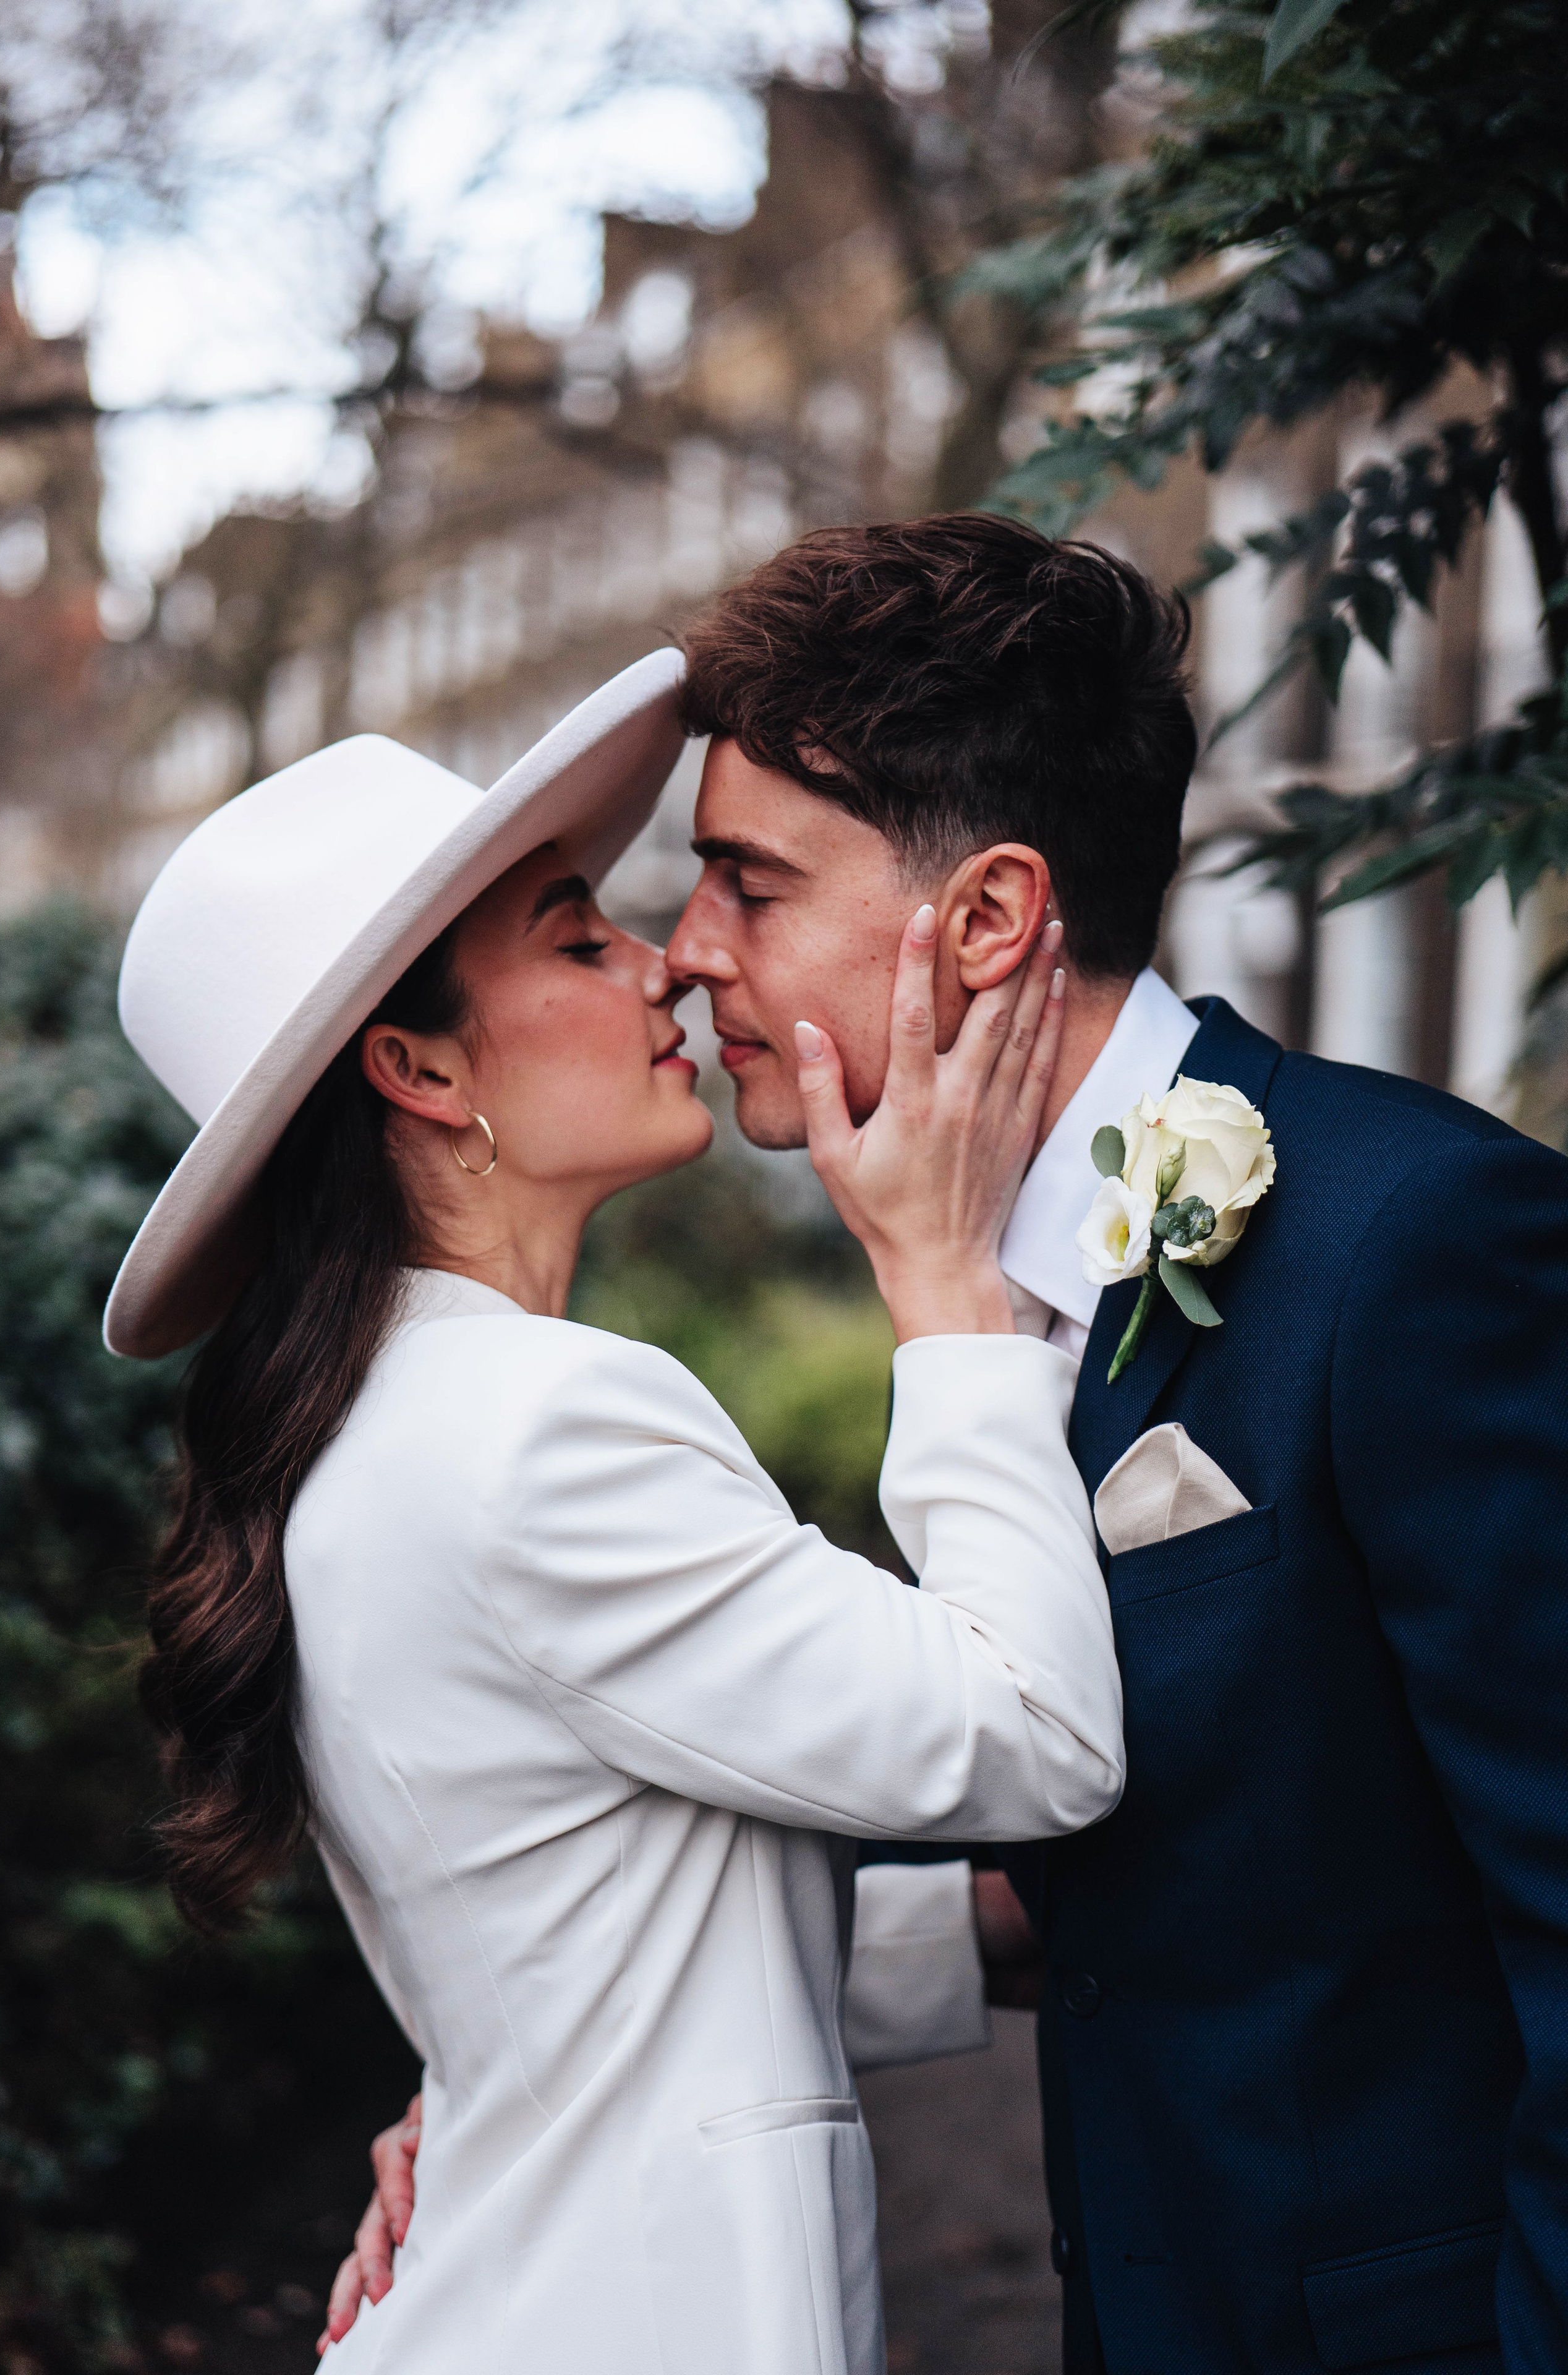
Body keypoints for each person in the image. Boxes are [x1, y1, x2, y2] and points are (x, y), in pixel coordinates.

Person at [339, 515, 1568, 2373]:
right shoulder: (969, 1311)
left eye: (746, 884)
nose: (684, 954)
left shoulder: (1418, 1244)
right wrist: (558, 2062)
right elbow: (1169, 1870)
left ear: (986, 919)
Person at [108, 652, 1126, 2375]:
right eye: (581, 940)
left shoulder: (389, 1427)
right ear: (422, 1072)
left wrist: (992, 1931)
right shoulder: (539, 1423)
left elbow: (594, 1946)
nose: (668, 966)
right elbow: (1037, 1738)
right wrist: (950, 1304)